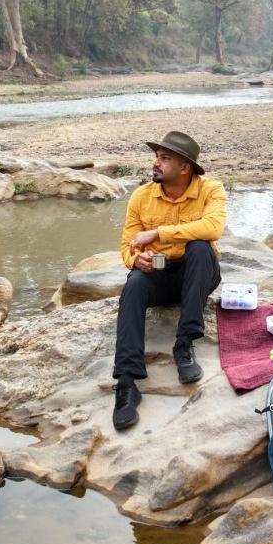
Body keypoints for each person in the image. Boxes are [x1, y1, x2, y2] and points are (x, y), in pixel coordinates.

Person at [112, 131, 226, 430]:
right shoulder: (141, 196)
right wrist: (135, 259)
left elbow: (213, 227)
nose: (156, 163)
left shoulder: (210, 190)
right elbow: (128, 244)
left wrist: (159, 233)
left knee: (200, 247)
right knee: (134, 283)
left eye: (165, 158)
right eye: (157, 157)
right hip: (160, 276)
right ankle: (126, 383)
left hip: (198, 274)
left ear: (184, 167)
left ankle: (185, 343)